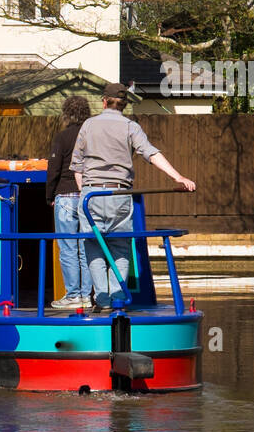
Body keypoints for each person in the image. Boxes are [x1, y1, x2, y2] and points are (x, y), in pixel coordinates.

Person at [72, 83, 196, 308]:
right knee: (120, 247)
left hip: (91, 193)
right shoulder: (131, 126)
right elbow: (151, 153)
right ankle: (118, 298)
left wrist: (85, 193)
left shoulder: (88, 126)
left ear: (103, 102)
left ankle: (102, 299)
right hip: (120, 192)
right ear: (125, 105)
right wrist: (178, 176)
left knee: (93, 246)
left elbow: (77, 166)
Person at [46, 96, 92, 309]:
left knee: (67, 248)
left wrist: (49, 196)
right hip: (88, 197)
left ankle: (73, 295)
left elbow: (53, 169)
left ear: (66, 113)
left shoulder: (62, 137)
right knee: (86, 248)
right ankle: (87, 296)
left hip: (65, 196)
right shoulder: (92, 135)